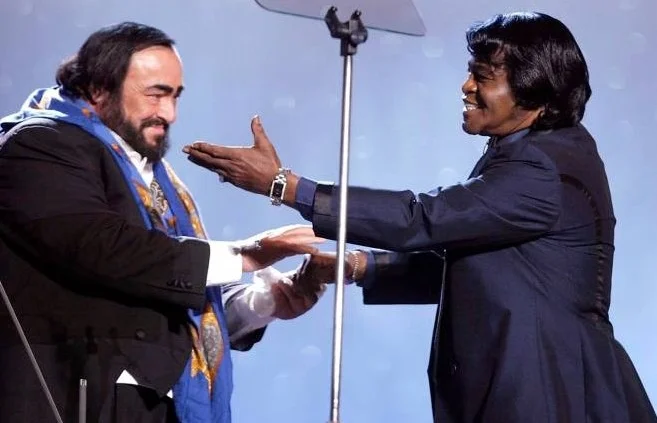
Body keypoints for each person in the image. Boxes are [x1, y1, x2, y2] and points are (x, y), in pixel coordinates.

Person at [184, 11, 657, 423]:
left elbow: (421, 218)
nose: (466, 86)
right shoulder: (537, 151)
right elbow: (481, 264)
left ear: (534, 92)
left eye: (483, 76)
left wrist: (286, 186)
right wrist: (357, 267)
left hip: (550, 395)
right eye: (470, 72)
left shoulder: (542, 167)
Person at [0, 22, 325, 423]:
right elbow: (104, 249)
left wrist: (264, 303)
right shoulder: (39, 144)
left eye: (175, 96)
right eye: (156, 95)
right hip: (77, 399)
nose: (169, 113)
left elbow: (164, 294)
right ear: (99, 88)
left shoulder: (152, 174)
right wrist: (244, 254)